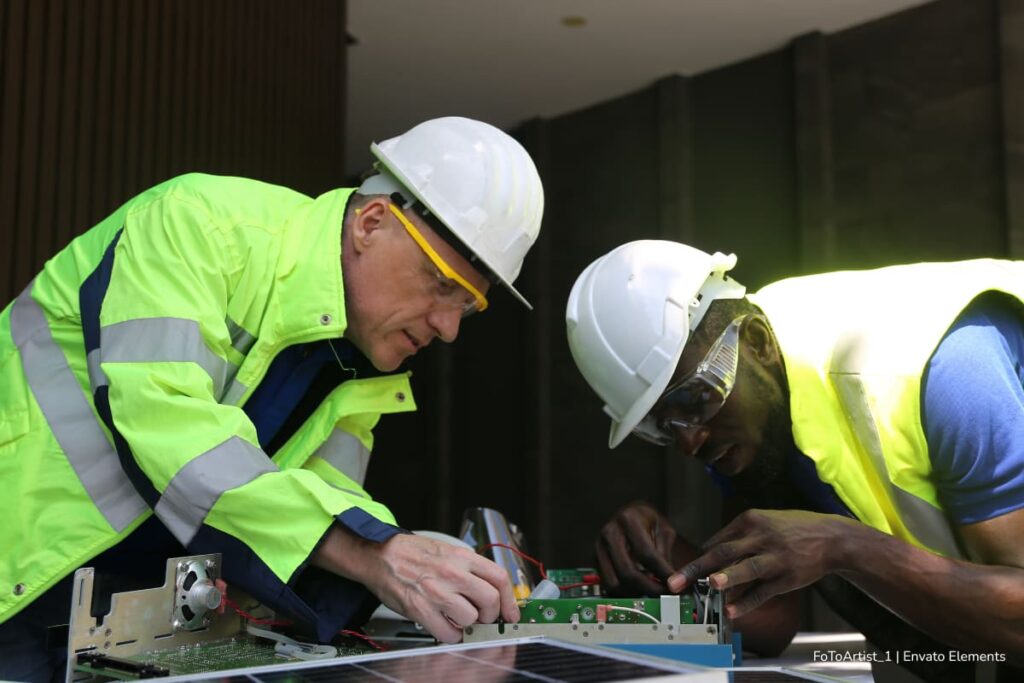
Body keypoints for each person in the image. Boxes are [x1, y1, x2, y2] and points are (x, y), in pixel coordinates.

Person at [0, 116, 544, 681]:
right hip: (15, 565)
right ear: (373, 222)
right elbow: (162, 419)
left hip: (120, 621)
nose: (449, 328)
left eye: (469, 306)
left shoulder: (356, 356)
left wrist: (411, 560)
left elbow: (325, 490)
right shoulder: (197, 222)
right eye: (441, 285)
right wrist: (373, 554)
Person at [566, 240, 1024, 680]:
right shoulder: (748, 411)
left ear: (759, 342)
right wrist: (672, 565)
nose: (689, 442)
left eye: (694, 399)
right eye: (660, 425)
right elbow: (769, 618)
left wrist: (846, 548)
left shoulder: (948, 374)